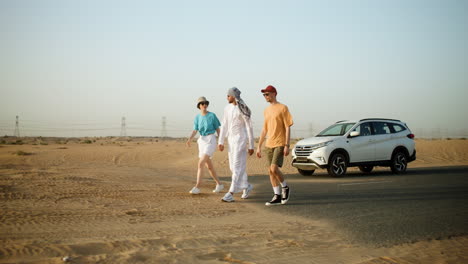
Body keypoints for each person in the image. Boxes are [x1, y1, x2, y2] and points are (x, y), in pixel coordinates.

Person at [256, 85, 293, 206]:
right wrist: (259, 146)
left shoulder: (283, 108)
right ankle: (277, 195)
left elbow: (287, 127)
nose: (265, 97)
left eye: (267, 94)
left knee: (274, 168)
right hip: (269, 144)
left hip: (280, 143)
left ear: (274, 93)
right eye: (264, 95)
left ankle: (285, 187)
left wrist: (287, 145)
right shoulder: (266, 110)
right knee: (270, 172)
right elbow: (264, 129)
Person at [218, 87, 255, 203]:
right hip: (231, 140)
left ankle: (231, 193)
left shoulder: (242, 109)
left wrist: (251, 145)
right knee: (233, 167)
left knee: (237, 166)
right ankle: (246, 186)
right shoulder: (227, 108)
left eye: (228, 95)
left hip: (240, 139)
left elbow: (249, 127)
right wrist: (221, 141)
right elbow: (224, 125)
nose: (227, 97)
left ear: (234, 96)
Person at [186, 96, 224, 194]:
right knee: (209, 166)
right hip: (201, 140)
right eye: (202, 103)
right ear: (199, 106)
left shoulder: (212, 115)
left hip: (210, 139)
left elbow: (218, 129)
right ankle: (219, 184)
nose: (205, 105)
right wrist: (190, 139)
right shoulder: (197, 117)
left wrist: (221, 142)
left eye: (206, 103)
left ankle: (197, 187)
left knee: (200, 163)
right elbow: (195, 130)